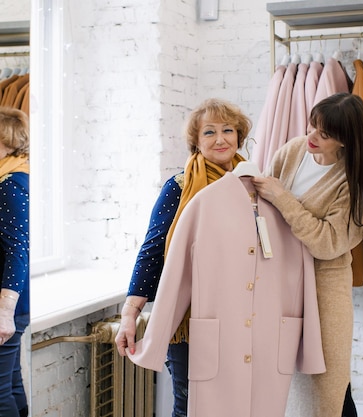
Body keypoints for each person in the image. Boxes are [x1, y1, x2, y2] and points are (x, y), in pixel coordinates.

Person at [115, 98, 252, 417]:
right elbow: (152, 251)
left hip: (240, 315)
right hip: (191, 318)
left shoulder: (254, 186)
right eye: (209, 132)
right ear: (196, 142)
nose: (221, 139)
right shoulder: (180, 186)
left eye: (228, 130)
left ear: (239, 136)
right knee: (190, 406)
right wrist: (129, 315)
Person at [252, 92, 363, 417]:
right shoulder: (293, 151)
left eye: (324, 134)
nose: (311, 136)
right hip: (282, 280)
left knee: (330, 380)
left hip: (325, 290)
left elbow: (328, 243)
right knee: (289, 376)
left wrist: (284, 199)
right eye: (312, 126)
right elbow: (264, 209)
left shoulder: (354, 183)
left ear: (345, 141)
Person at [0, 107, 30, 417]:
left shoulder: (11, 182)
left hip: (8, 306)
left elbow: (19, 249)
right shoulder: (10, 175)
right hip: (14, 305)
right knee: (10, 384)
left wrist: (4, 312)